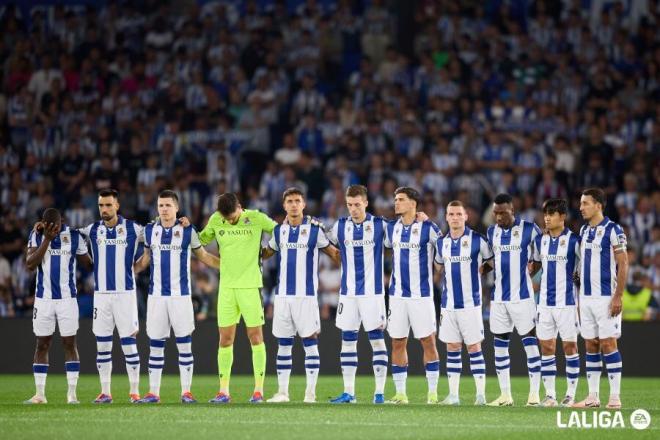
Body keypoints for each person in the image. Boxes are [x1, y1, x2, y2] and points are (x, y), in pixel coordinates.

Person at [133, 190, 219, 404]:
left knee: (184, 344)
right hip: (156, 297)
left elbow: (204, 256)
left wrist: (228, 266)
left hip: (181, 297)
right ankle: (153, 393)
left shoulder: (187, 230)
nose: (163, 209)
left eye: (168, 205)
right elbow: (145, 260)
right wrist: (128, 271)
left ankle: (186, 392)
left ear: (176, 208)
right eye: (160, 205)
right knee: (155, 344)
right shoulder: (150, 230)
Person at [262, 188, 339, 403]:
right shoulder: (279, 232)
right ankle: (283, 392)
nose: (294, 205)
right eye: (290, 201)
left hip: (306, 296)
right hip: (283, 297)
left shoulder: (315, 231)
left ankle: (310, 394)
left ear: (303, 205)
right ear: (284, 205)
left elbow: (335, 255)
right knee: (284, 343)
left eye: (297, 201)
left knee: (310, 342)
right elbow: (266, 253)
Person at [199, 192, 277, 404]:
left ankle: (258, 391)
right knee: (225, 339)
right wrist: (186, 229)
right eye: (227, 219)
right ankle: (223, 391)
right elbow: (199, 241)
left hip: (251, 287)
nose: (230, 221)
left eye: (233, 217)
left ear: (240, 207)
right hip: (226, 288)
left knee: (256, 337)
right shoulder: (216, 219)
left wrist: (269, 250)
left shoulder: (257, 218)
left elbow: (280, 231)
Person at [326, 185, 390, 404]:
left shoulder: (380, 225)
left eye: (357, 204)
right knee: (348, 340)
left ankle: (379, 393)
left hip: (373, 294)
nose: (353, 209)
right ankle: (349, 393)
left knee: (377, 340)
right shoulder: (340, 226)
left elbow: (402, 233)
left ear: (366, 203)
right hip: (348, 294)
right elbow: (328, 246)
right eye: (350, 205)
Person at [24, 208, 91, 404]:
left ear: (62, 221)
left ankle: (72, 394)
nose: (54, 228)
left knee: (70, 344)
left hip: (67, 300)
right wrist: (46, 239)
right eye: (50, 226)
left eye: (57, 225)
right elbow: (30, 264)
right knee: (42, 344)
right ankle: (40, 394)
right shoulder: (36, 235)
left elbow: (87, 263)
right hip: (43, 300)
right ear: (43, 223)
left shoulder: (73, 236)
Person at [384, 187, 442, 404]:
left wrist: (438, 269)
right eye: (395, 199)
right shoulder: (392, 228)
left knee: (428, 341)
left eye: (400, 200)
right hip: (397, 296)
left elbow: (445, 248)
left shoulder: (429, 228)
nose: (396, 203)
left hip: (422, 296)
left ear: (413, 203)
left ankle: (433, 394)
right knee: (397, 342)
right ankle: (400, 394)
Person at [484, 193, 543, 407]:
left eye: (503, 213)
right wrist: (480, 269)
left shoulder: (530, 229)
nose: (499, 217)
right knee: (499, 346)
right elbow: (492, 260)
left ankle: (534, 395)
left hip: (523, 297)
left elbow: (538, 258)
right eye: (496, 213)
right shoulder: (492, 232)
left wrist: (529, 274)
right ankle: (505, 395)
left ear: (513, 211)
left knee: (530, 343)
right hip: (499, 299)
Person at [573, 187, 628, 409]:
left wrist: (618, 296)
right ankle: (593, 397)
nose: (581, 207)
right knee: (591, 345)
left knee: (608, 343)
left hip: (606, 297)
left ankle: (614, 398)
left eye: (585, 203)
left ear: (598, 205)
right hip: (585, 298)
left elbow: (623, 263)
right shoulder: (584, 231)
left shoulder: (613, 229)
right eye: (580, 203)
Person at [435, 200, 493, 406]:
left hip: (471, 304)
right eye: (451, 214)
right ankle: (453, 395)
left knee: (474, 347)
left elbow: (491, 262)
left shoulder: (478, 240)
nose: (455, 218)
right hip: (449, 305)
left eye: (459, 214)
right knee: (452, 347)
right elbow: (439, 268)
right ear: (447, 217)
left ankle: (480, 395)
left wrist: (481, 271)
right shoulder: (441, 243)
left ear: (466, 217)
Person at [532, 198, 581, 407]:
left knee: (570, 347)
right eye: (545, 214)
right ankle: (550, 395)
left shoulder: (574, 241)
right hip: (544, 303)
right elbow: (534, 266)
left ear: (563, 217)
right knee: (547, 347)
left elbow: (584, 268)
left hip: (567, 303)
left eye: (551, 214)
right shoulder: (539, 241)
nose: (547, 218)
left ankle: (570, 394)